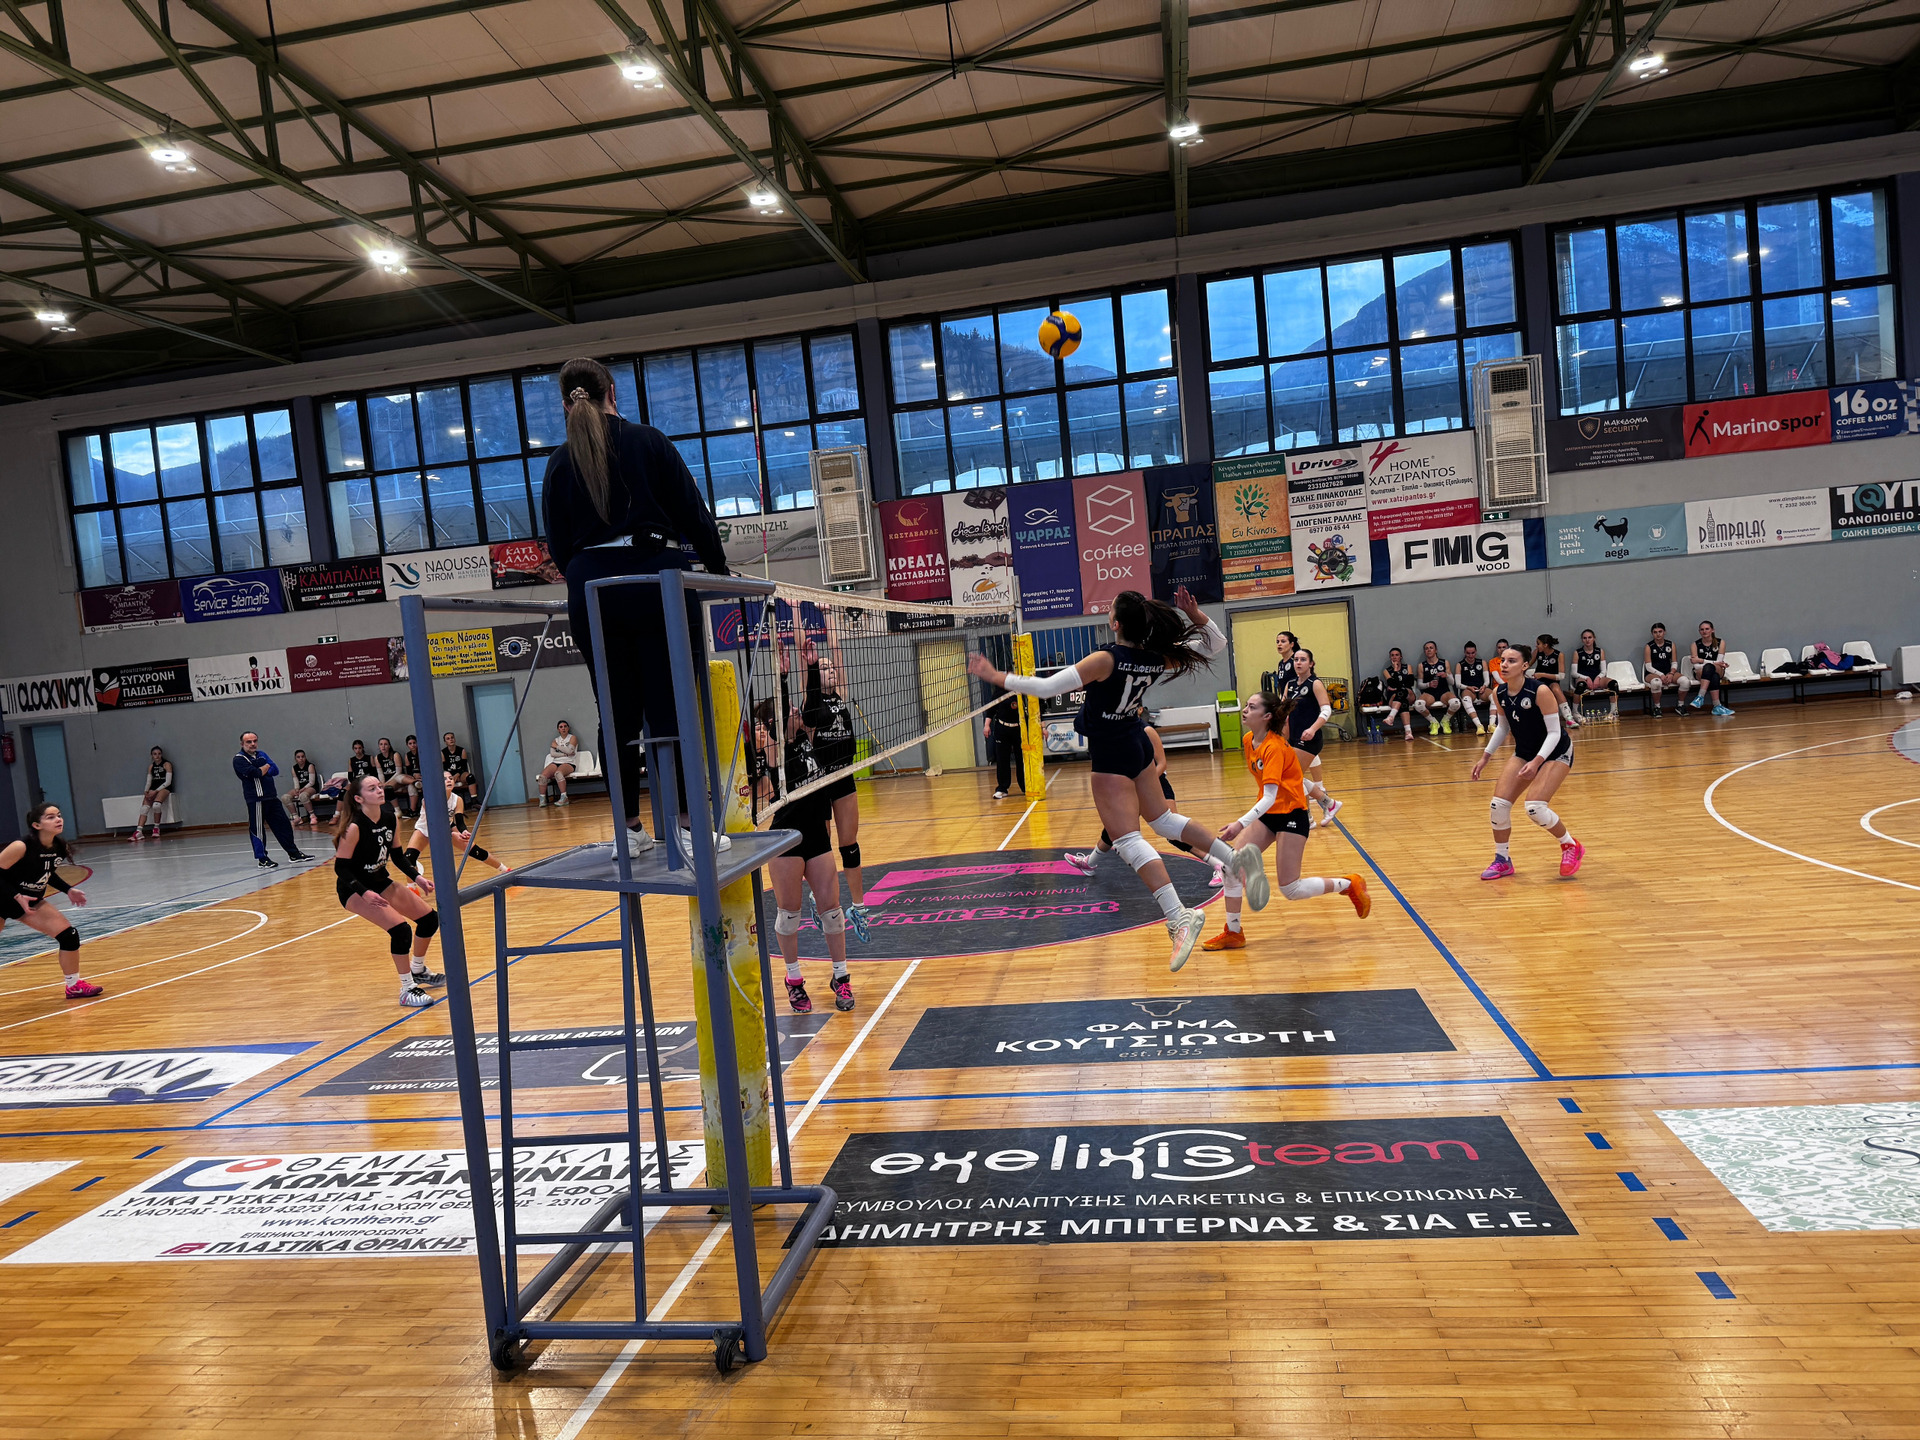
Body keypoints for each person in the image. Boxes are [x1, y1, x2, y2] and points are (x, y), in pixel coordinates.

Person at [969, 586, 1264, 973]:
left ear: (1116, 623)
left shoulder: (1106, 659)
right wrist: (1195, 614)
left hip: (1110, 751)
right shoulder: (1154, 657)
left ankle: (1178, 916)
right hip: (1136, 742)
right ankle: (1233, 859)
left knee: (1126, 840)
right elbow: (1215, 645)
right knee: (1163, 820)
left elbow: (1046, 688)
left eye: (1110, 610)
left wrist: (995, 676)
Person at [541, 356, 730, 861]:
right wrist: (718, 568)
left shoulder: (559, 462)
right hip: (656, 582)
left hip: (592, 590)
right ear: (613, 393)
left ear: (566, 405)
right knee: (673, 707)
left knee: (615, 713)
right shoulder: (649, 441)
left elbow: (558, 544)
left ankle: (628, 830)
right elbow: (693, 512)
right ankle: (687, 827)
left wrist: (590, 571)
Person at [1203, 691, 1369, 950]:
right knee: (1230, 866)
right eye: (1246, 705)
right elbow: (1269, 796)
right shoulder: (1249, 740)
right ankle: (1233, 932)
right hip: (1268, 815)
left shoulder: (1275, 747)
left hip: (1291, 814)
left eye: (1252, 707)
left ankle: (1349, 884)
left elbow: (1270, 796)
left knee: (1290, 889)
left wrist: (1240, 823)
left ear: (1267, 716)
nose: (1245, 710)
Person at [754, 695, 853, 1014]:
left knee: (833, 913)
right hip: (786, 840)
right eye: (790, 709)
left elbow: (811, 694)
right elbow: (775, 733)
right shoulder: (774, 748)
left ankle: (841, 977)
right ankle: (794, 980)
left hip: (816, 837)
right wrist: (781, 679)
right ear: (777, 722)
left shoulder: (809, 735)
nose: (797, 710)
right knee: (789, 917)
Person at [330, 774, 445, 1009]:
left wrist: (417, 877)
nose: (380, 791)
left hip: (380, 880)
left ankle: (418, 970)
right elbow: (341, 868)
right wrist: (364, 893)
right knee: (401, 931)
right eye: (372, 789)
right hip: (354, 888)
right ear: (359, 798)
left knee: (429, 919)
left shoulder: (390, 817)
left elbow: (398, 857)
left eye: (380, 786)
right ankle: (407, 989)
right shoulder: (354, 827)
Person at [1471, 646, 1583, 880]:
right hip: (1525, 752)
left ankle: (1570, 845)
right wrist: (1485, 757)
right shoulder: (1499, 692)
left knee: (1535, 808)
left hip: (1555, 752)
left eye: (1511, 661)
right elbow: (1503, 727)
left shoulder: (1539, 691)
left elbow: (1554, 733)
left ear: (1524, 666)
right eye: (1503, 660)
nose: (1504, 665)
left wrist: (1537, 762)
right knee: (1498, 805)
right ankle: (1502, 860)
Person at [1066, 725, 1218, 882]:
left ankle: (1219, 864)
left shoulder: (1147, 731)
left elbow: (1162, 764)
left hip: (1156, 785)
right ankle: (1089, 863)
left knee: (1172, 832)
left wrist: (1144, 782)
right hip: (1135, 786)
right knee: (1118, 827)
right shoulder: (1119, 732)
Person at [802, 637, 870, 942]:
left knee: (849, 844)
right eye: (825, 667)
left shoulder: (841, 694)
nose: (831, 670)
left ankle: (859, 909)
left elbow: (839, 655)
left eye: (832, 667)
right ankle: (819, 897)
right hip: (820, 779)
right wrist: (810, 662)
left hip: (844, 774)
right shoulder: (812, 702)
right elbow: (809, 672)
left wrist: (830, 618)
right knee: (823, 846)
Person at [0, 801, 99, 998]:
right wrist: (16, 895)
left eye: (59, 815)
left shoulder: (58, 847)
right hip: (3, 897)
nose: (58, 819)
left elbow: (46, 872)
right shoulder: (21, 846)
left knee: (69, 935)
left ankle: (74, 985)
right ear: (37, 825)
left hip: (30, 900)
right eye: (51, 817)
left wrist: (68, 890)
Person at [402, 773, 512, 882]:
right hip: (425, 829)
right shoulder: (430, 799)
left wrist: (464, 831)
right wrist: (452, 834)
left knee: (474, 850)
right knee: (409, 858)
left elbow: (459, 822)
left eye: (451, 778)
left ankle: (505, 870)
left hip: (447, 828)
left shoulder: (457, 799)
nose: (449, 780)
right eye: (444, 779)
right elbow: (436, 823)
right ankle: (412, 888)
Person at [233, 732, 311, 869]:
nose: (253, 744)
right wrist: (263, 768)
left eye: (255, 741)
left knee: (283, 825)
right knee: (258, 829)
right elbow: (255, 773)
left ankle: (293, 853)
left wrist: (263, 769)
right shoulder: (239, 759)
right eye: (249, 742)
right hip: (256, 799)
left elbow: (275, 770)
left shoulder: (262, 754)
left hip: (271, 797)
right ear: (242, 744)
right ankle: (262, 858)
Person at [1281, 648, 1341, 826]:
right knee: (1294, 776)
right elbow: (1283, 710)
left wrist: (1313, 729)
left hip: (1309, 738)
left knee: (1292, 776)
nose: (1298, 663)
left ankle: (1307, 816)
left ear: (1311, 663)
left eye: (1303, 660)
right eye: (1296, 660)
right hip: (1293, 737)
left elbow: (1326, 710)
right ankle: (1328, 803)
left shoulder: (1315, 683)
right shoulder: (1290, 684)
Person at [1529, 633, 1580, 730]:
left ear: (1545, 645)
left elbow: (1561, 676)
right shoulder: (1537, 652)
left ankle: (1569, 718)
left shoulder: (1559, 655)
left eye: (1538, 643)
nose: (1536, 645)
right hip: (1538, 681)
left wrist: (1542, 674)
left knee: (1556, 689)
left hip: (1551, 680)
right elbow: (1528, 665)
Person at [984, 685, 1024, 801]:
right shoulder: (1000, 690)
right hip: (1002, 729)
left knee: (1022, 759)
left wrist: (1042, 727)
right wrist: (986, 725)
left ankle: (1025, 786)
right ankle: (1002, 788)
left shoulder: (1023, 689)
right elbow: (991, 710)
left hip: (1019, 729)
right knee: (1002, 760)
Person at [1412, 639, 1461, 735]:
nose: (1429, 650)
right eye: (1426, 648)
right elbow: (1419, 685)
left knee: (1456, 703)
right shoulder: (1421, 665)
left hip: (1444, 691)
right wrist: (1429, 684)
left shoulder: (1444, 662)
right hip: (1429, 692)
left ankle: (1445, 720)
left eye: (1431, 648)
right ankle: (1433, 722)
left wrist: (1446, 675)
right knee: (1418, 704)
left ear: (1436, 650)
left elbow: (1452, 682)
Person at [1569, 629, 1617, 721]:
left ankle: (1613, 712)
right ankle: (1575, 712)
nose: (1587, 640)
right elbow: (1573, 673)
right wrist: (1586, 678)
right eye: (1585, 638)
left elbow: (1604, 671)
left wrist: (1598, 677)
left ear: (1594, 638)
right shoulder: (1578, 652)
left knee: (1614, 684)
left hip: (1597, 677)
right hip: (1583, 678)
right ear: (1582, 640)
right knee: (1581, 685)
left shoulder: (1600, 651)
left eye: (1590, 637)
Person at [1644, 622, 1689, 718]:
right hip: (1652, 673)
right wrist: (1661, 675)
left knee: (1685, 682)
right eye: (1655, 632)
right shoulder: (1649, 646)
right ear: (1652, 634)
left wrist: (1671, 673)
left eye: (1660, 631)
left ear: (1664, 632)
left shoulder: (1671, 644)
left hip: (1668, 672)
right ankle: (1657, 707)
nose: (1658, 634)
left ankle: (1680, 705)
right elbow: (1648, 666)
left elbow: (1674, 662)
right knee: (1656, 683)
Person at [1692, 620, 1734, 716]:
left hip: (1718, 669)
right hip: (1700, 671)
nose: (1704, 631)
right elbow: (1696, 666)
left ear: (1712, 630)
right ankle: (1717, 706)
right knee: (1713, 675)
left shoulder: (1720, 642)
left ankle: (1700, 696)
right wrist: (1712, 663)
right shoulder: (1695, 645)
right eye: (1702, 629)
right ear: (1699, 631)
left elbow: (1719, 662)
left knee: (1710, 667)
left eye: (1707, 629)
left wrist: (1701, 660)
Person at [132, 745, 173, 841]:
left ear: (161, 754)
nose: (157, 756)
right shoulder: (151, 766)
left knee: (156, 805)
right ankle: (139, 831)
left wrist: (156, 791)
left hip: (164, 788)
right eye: (155, 754)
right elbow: (149, 781)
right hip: (153, 788)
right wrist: (146, 791)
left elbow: (168, 782)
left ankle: (156, 828)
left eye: (159, 754)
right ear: (151, 755)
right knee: (144, 808)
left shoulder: (166, 764)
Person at [1455, 641, 1494, 735]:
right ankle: (1479, 726)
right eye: (1468, 653)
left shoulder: (1482, 662)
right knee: (1466, 699)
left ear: (1476, 652)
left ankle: (1492, 725)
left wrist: (1484, 686)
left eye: (1472, 653)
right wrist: (1468, 687)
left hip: (1481, 689)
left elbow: (1487, 681)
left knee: (1494, 696)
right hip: (1468, 689)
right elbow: (1457, 684)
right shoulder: (1460, 665)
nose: (1470, 655)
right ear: (1465, 653)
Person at [538, 720, 579, 807]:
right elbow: (553, 754)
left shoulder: (572, 738)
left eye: (565, 726)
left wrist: (557, 746)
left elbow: (570, 751)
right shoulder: (556, 740)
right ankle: (542, 799)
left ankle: (564, 797)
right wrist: (565, 754)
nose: (563, 728)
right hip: (556, 762)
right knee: (542, 777)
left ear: (568, 728)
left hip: (569, 762)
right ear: (558, 729)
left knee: (558, 773)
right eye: (561, 727)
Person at [1380, 648, 1416, 743]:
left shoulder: (1408, 667)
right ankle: (1408, 732)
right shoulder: (1387, 671)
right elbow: (1392, 684)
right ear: (1390, 657)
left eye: (1397, 655)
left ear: (1401, 656)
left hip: (1409, 694)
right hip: (1393, 696)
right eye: (1392, 655)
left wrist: (1397, 686)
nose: (1394, 657)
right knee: (1403, 702)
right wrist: (1395, 670)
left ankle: (1391, 716)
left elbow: (1410, 683)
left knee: (1402, 691)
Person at [288, 749, 323, 826]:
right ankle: (296, 817)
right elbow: (296, 781)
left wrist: (303, 789)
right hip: (301, 788)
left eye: (303, 756)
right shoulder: (294, 768)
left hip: (311, 787)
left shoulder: (310, 766)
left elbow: (311, 782)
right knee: (285, 797)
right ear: (295, 759)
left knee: (303, 796)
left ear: (305, 757)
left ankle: (312, 816)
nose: (301, 759)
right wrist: (297, 789)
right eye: (298, 757)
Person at [441, 732, 478, 802]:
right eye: (448, 739)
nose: (451, 740)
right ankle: (446, 801)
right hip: (449, 775)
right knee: (444, 780)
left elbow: (464, 766)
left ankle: (474, 801)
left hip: (460, 773)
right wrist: (451, 777)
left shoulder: (461, 750)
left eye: (452, 738)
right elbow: (444, 768)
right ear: (445, 742)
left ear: (454, 739)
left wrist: (457, 775)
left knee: (470, 777)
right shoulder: (443, 752)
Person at [373, 738, 407, 813]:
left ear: (389, 746)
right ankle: (379, 812)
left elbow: (398, 772)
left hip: (397, 778)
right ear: (379, 746)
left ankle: (398, 810)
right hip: (386, 782)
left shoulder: (395, 755)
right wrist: (382, 783)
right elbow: (380, 773)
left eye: (385, 744)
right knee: (381, 789)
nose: (383, 746)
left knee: (388, 788)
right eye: (381, 744)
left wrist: (387, 783)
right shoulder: (377, 758)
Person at [400, 735, 424, 816]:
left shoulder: (422, 752)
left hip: (424, 777)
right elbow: (408, 771)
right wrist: (414, 776)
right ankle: (413, 810)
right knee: (410, 786)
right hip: (414, 778)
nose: (413, 745)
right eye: (410, 743)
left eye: (414, 743)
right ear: (407, 745)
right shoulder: (408, 755)